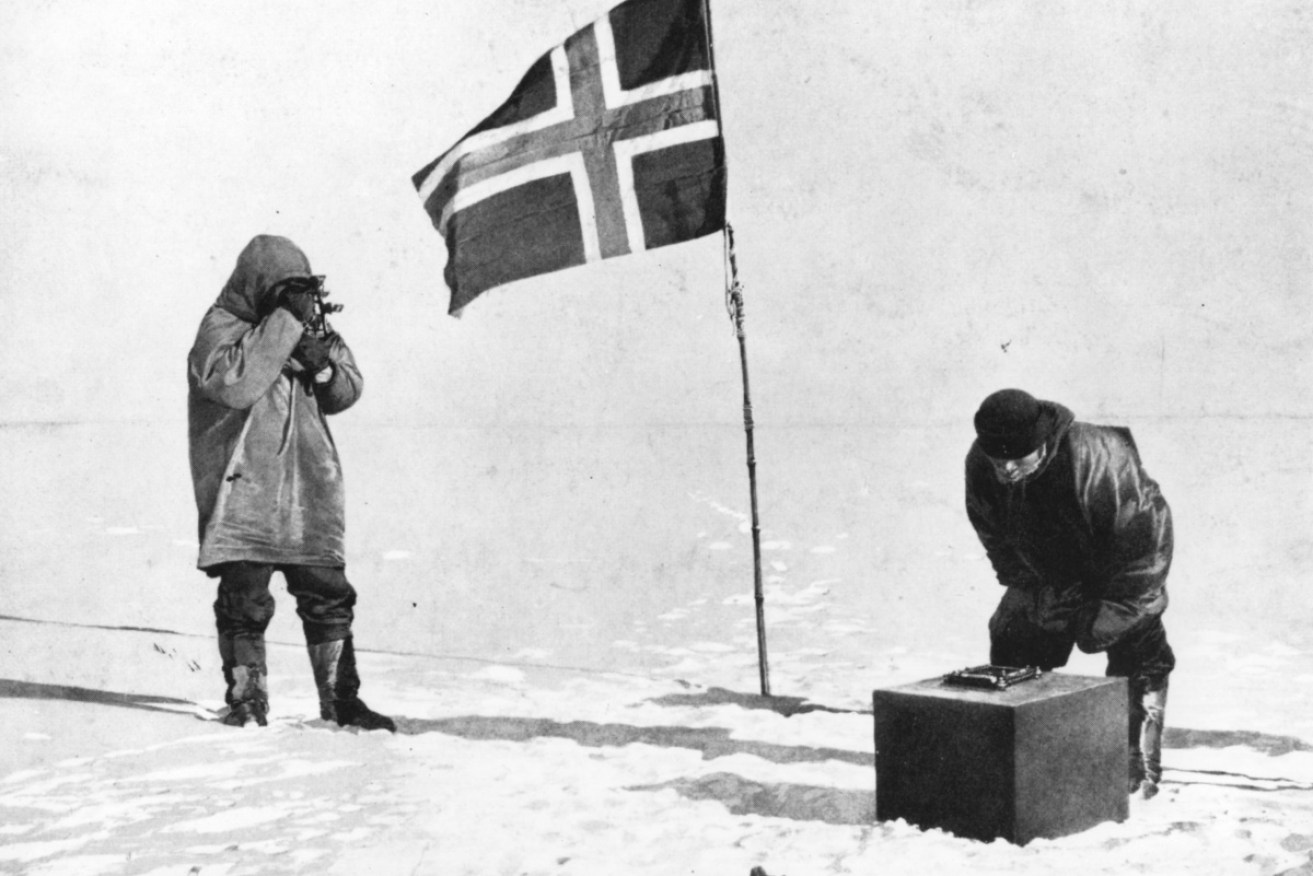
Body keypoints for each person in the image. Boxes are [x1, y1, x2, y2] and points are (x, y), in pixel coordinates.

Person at [187, 234, 395, 732]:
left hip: (308, 489)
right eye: (287, 289)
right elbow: (233, 383)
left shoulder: (306, 325)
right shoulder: (222, 327)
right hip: (246, 492)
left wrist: (321, 363)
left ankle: (341, 700)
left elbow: (346, 390)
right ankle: (247, 701)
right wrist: (286, 326)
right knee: (245, 600)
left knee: (329, 595)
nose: (298, 299)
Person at [964, 388, 1174, 798]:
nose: (1006, 468)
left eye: (1018, 458)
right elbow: (993, 531)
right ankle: (1025, 757)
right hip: (1049, 572)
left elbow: (1143, 538)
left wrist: (1118, 608)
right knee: (1012, 637)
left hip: (1121, 571)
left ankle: (1136, 768)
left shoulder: (1095, 455)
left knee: (1140, 654)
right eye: (998, 459)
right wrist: (1028, 589)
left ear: (1042, 443)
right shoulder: (981, 462)